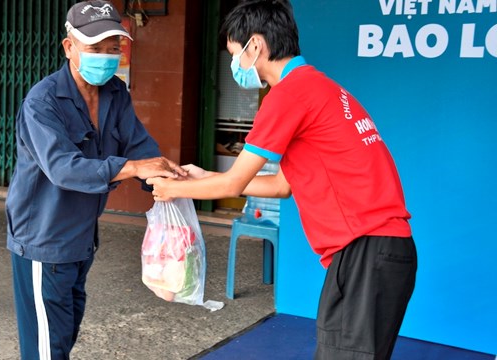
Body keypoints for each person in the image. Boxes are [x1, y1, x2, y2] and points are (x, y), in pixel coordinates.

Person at [148, 1, 417, 359]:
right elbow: (281, 186)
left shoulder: (288, 94)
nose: (235, 66)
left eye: (234, 54)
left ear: (255, 45)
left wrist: (171, 188)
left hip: (366, 250)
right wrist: (205, 175)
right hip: (381, 252)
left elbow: (231, 188)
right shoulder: (317, 87)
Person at [5, 1, 187, 358]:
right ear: (69, 47)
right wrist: (135, 169)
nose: (106, 57)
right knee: (46, 349)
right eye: (94, 49)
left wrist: (173, 179)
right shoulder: (42, 102)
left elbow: (139, 146)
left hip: (82, 238)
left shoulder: (115, 93)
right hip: (44, 239)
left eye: (113, 49)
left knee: (64, 336)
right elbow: (63, 168)